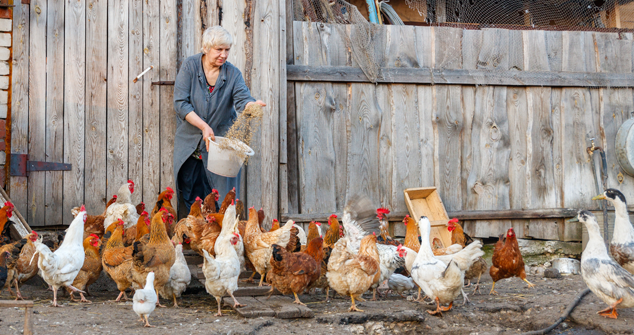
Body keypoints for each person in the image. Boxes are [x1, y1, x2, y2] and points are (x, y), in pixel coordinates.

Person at [173, 26, 265, 213]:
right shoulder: (190, 66)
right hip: (191, 145)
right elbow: (180, 103)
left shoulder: (232, 74)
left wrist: (251, 105)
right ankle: (194, 239)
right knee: (191, 198)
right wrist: (203, 126)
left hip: (220, 149)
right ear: (206, 48)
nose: (223, 55)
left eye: (227, 50)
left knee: (220, 200)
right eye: (219, 49)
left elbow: (242, 99)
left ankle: (219, 238)